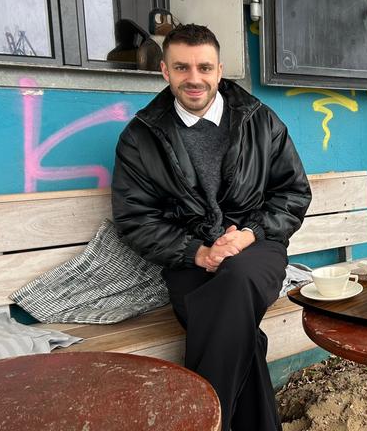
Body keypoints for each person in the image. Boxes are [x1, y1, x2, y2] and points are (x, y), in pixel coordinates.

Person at [111, 23, 311, 431]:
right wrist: (198, 253)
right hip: (188, 260)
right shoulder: (140, 137)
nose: (194, 78)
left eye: (204, 67)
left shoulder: (261, 121)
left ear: (220, 70)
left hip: (259, 248)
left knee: (236, 279)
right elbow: (135, 218)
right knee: (240, 334)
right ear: (165, 72)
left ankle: (201, 422)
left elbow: (292, 193)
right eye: (181, 68)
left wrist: (249, 234)